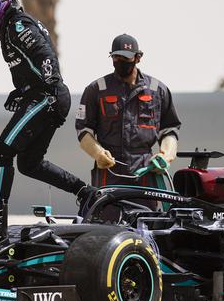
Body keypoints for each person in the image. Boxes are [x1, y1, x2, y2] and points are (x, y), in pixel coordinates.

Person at [0, 0, 97, 240]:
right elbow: (32, 65)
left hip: (47, 96)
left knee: (1, 153)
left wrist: (47, 87)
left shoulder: (17, 27)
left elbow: (44, 56)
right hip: (47, 95)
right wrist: (22, 90)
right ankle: (85, 193)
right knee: (28, 163)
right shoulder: (12, 29)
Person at [75, 33, 181, 215]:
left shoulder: (158, 90)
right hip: (109, 172)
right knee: (107, 222)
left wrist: (166, 156)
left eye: (126, 57)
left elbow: (169, 130)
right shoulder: (96, 89)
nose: (120, 61)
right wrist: (98, 153)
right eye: (116, 57)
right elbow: (83, 131)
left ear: (138, 58)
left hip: (146, 173)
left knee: (147, 224)